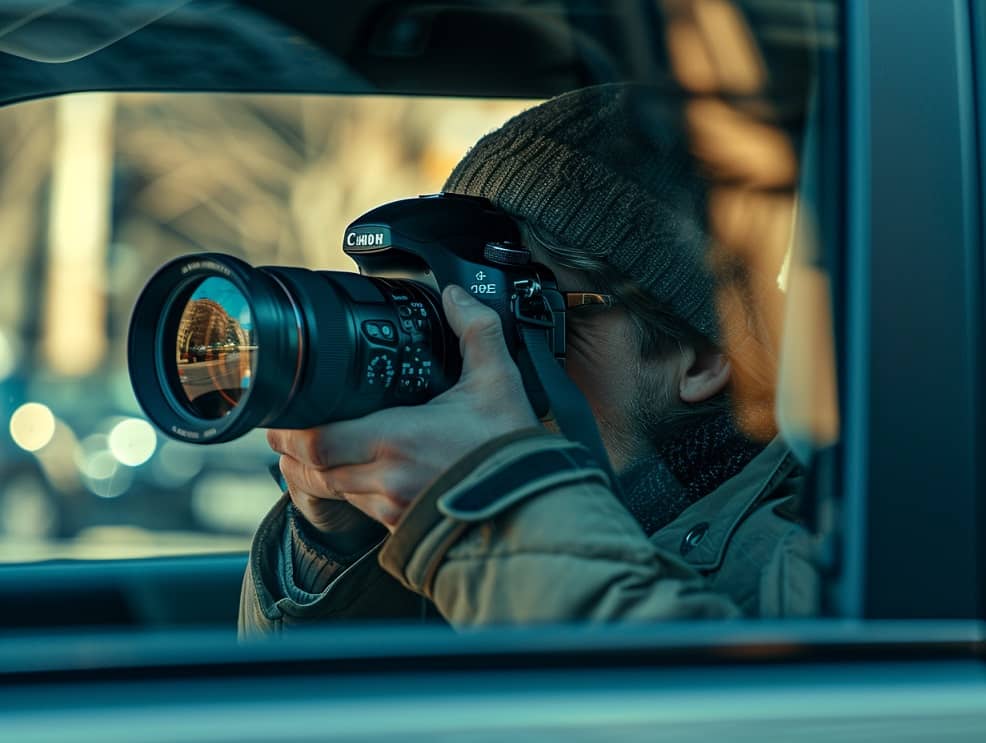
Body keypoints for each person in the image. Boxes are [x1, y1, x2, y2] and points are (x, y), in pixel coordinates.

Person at [238, 84, 818, 635]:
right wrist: (336, 547)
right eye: (444, 302)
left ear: (698, 360)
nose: (472, 354)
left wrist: (491, 506)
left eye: (524, 312)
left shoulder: (821, 551)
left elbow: (713, 711)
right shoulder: (444, 529)